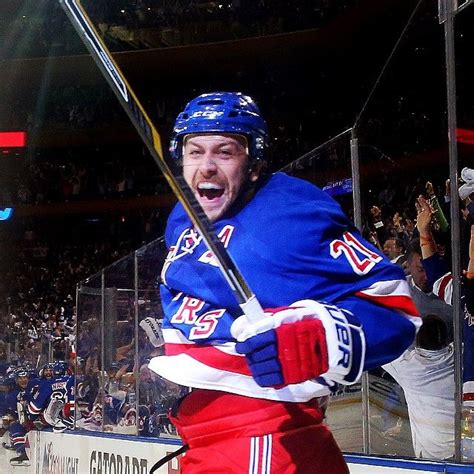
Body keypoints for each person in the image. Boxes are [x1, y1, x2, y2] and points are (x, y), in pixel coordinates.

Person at [149, 91, 420, 473]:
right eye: (195, 152)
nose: (206, 166)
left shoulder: (292, 208)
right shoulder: (183, 216)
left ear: (254, 162)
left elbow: (394, 306)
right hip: (208, 431)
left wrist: (324, 337)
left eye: (224, 152)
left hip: (267, 434)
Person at [382, 315, 455, 460]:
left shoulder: (406, 367)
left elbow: (376, 345)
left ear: (417, 340)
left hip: (432, 459)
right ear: (447, 339)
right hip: (466, 451)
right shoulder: (461, 355)